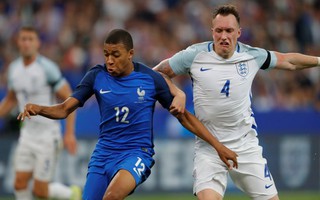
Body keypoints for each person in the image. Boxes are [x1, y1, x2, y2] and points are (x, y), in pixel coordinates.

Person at [17, 29, 238, 200]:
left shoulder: (150, 79)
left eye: (115, 54)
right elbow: (65, 108)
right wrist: (39, 109)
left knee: (112, 196)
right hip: (103, 154)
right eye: (106, 54)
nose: (109, 60)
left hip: (136, 153)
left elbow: (184, 117)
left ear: (130, 54)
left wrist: (218, 146)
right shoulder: (96, 76)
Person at [154, 4, 320, 200]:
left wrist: (318, 60)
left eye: (229, 31)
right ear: (212, 32)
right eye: (219, 31)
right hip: (209, 148)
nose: (224, 36)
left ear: (239, 32)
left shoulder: (252, 55)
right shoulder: (194, 55)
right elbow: (156, 74)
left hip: (245, 146)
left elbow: (288, 61)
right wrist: (178, 93)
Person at [0, 26, 81, 200]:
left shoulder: (47, 68)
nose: (27, 43)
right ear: (18, 42)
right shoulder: (14, 70)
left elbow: (70, 100)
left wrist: (69, 133)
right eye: (23, 39)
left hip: (47, 136)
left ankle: (71, 194)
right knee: (19, 184)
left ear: (38, 43)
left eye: (30, 39)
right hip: (27, 135)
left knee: (40, 191)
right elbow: (10, 99)